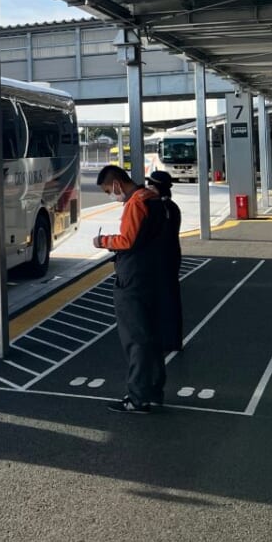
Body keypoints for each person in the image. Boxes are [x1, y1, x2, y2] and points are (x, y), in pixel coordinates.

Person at [93, 164, 168, 413]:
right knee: (152, 336)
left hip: (133, 278)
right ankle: (154, 391)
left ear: (116, 184)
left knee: (135, 338)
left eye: (108, 191)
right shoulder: (153, 198)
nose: (110, 196)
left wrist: (103, 241)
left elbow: (128, 240)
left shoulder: (136, 203)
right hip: (152, 274)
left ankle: (137, 397)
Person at [148, 170, 184, 354]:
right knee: (171, 298)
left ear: (155, 188)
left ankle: (164, 339)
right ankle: (174, 339)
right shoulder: (173, 207)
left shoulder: (156, 208)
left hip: (158, 259)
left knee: (160, 299)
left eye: (150, 185)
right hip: (172, 256)